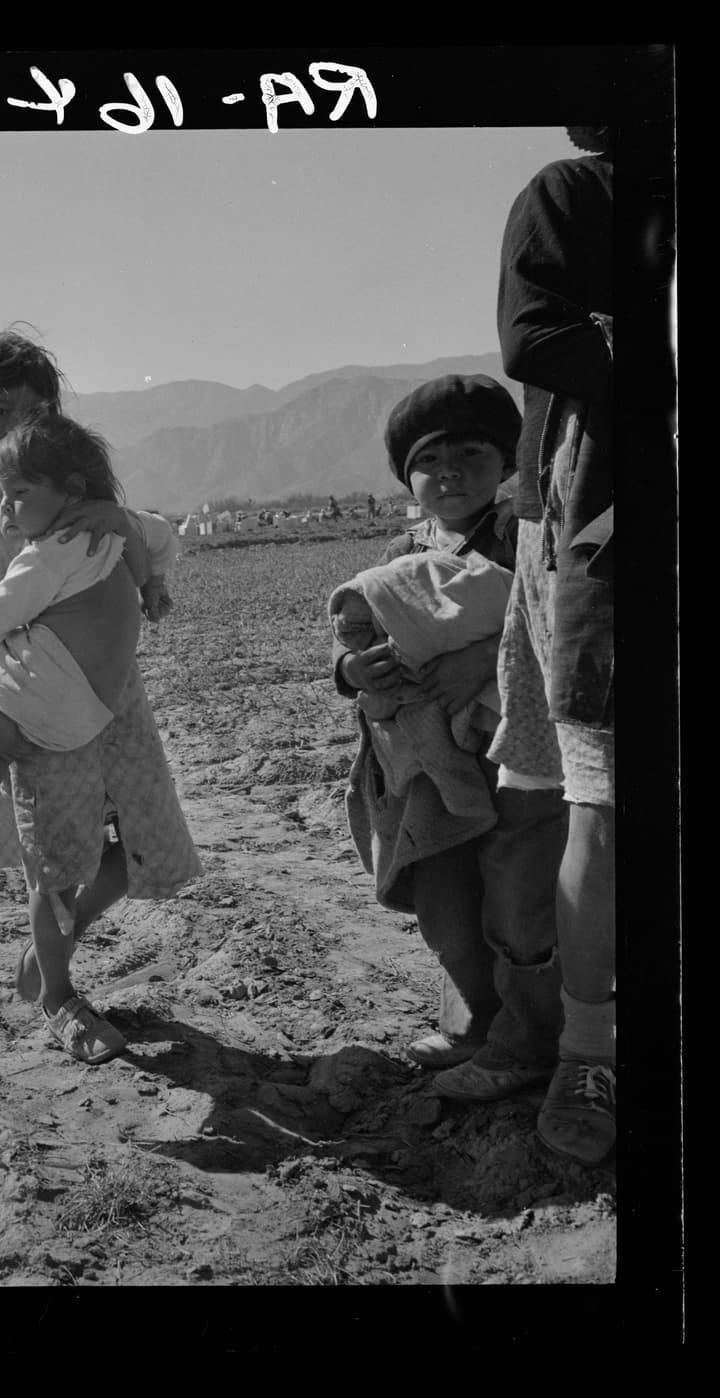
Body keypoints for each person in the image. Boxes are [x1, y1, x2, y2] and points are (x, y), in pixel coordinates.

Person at [0, 326, 199, 1064]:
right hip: (22, 701)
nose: (15, 427)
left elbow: (142, 551)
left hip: (112, 699)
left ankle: (50, 955)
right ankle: (63, 998)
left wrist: (131, 540)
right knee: (55, 859)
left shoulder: (76, 488)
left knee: (140, 846)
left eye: (31, 410)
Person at [332, 374, 568, 1093]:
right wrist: (352, 670)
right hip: (433, 764)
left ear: (507, 464)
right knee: (445, 898)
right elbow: (353, 629)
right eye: (430, 460)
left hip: (513, 749)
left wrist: (479, 659)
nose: (451, 472)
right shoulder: (403, 551)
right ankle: (476, 1020)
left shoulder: (522, 536)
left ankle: (527, 1037)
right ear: (408, 477)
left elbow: (549, 617)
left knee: (515, 894)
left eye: (472, 453)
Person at [486, 127, 615, 1165]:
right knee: (591, 802)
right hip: (593, 539)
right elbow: (535, 338)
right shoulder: (573, 194)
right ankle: (574, 1044)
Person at [0, 412, 175, 878]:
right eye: (3, 497)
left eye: (17, 496)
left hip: (45, 693)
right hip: (96, 703)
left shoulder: (49, 552)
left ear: (70, 488)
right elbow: (162, 536)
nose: (5, 511)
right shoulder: (115, 524)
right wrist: (153, 583)